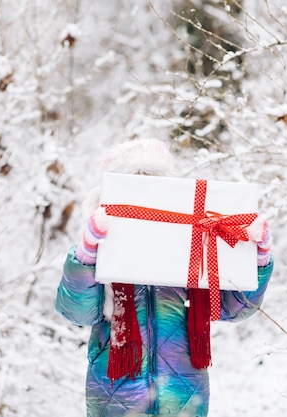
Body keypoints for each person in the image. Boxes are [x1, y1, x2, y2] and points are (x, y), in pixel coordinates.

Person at [56, 139, 273, 417]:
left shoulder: (190, 246)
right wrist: (86, 254)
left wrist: (257, 258)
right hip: (114, 398)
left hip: (183, 397)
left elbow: (233, 308)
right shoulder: (102, 243)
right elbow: (77, 312)